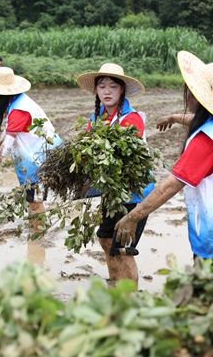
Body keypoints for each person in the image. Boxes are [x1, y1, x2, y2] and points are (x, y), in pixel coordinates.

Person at [115, 51, 213, 267]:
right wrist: (175, 117)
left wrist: (132, 217)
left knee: (211, 292)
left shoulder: (206, 143)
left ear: (194, 95)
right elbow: (200, 119)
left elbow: (170, 186)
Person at [76, 63, 155, 288]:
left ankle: (128, 296)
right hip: (113, 193)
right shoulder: (97, 118)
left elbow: (117, 155)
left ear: (122, 91)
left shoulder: (131, 119)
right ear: (96, 91)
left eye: (113, 86)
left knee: (123, 250)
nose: (107, 91)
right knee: (105, 237)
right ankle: (115, 283)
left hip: (135, 194)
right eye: (102, 86)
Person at [0, 67, 63, 231]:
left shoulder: (19, 108)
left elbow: (7, 143)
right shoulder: (16, 101)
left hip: (40, 162)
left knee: (36, 202)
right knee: (32, 200)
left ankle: (37, 242)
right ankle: (34, 233)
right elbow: (4, 136)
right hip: (35, 160)